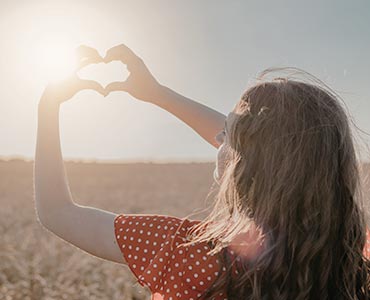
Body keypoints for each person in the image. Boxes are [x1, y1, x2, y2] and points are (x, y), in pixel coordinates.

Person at [34, 44, 370, 300]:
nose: (217, 137)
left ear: (244, 166)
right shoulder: (354, 262)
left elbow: (57, 212)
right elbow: (268, 150)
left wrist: (48, 105)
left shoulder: (188, 253)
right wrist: (156, 93)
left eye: (227, 134)